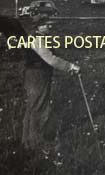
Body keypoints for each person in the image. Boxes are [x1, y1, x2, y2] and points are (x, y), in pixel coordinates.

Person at [22, 15, 80, 152]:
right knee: (40, 109)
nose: (49, 26)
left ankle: (27, 142)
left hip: (34, 74)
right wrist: (70, 67)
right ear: (38, 27)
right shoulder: (37, 39)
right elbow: (51, 60)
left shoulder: (36, 37)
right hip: (37, 75)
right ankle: (38, 144)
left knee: (32, 107)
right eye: (46, 24)